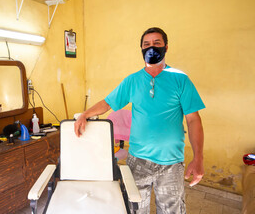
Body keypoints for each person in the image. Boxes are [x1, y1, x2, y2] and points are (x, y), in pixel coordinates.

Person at [74, 27, 205, 213]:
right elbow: (107, 102)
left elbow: (193, 120)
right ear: (141, 49)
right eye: (147, 44)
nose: (151, 47)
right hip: (138, 161)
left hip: (171, 163)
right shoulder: (132, 81)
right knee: (134, 209)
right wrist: (85, 114)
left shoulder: (180, 80)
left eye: (157, 43)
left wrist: (198, 157)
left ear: (166, 47)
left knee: (172, 211)